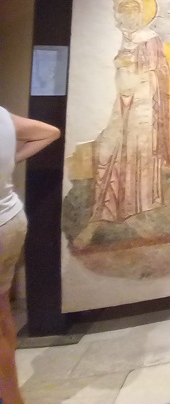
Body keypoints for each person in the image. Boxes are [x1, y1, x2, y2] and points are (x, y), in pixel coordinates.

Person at [90, 0, 169, 225]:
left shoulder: (149, 38)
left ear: (142, 13)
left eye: (134, 10)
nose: (130, 14)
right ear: (118, 13)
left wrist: (140, 75)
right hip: (120, 101)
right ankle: (111, 205)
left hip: (143, 103)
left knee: (139, 150)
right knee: (110, 148)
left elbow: (160, 70)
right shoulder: (116, 38)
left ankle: (140, 204)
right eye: (125, 9)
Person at [0, 108, 59, 404]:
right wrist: (11, 159)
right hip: (9, 218)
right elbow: (49, 132)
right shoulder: (2, 115)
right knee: (2, 313)